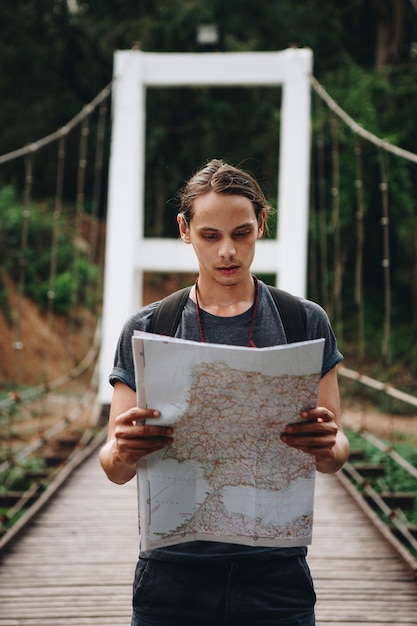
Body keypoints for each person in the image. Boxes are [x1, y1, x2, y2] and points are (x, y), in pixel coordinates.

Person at [100, 158, 350, 626]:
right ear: (184, 229)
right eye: (210, 236)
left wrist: (327, 443)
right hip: (173, 574)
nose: (227, 252)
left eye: (241, 233)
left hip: (276, 575)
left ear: (261, 224)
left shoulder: (304, 321)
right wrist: (124, 450)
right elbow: (114, 467)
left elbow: (335, 453)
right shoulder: (150, 327)